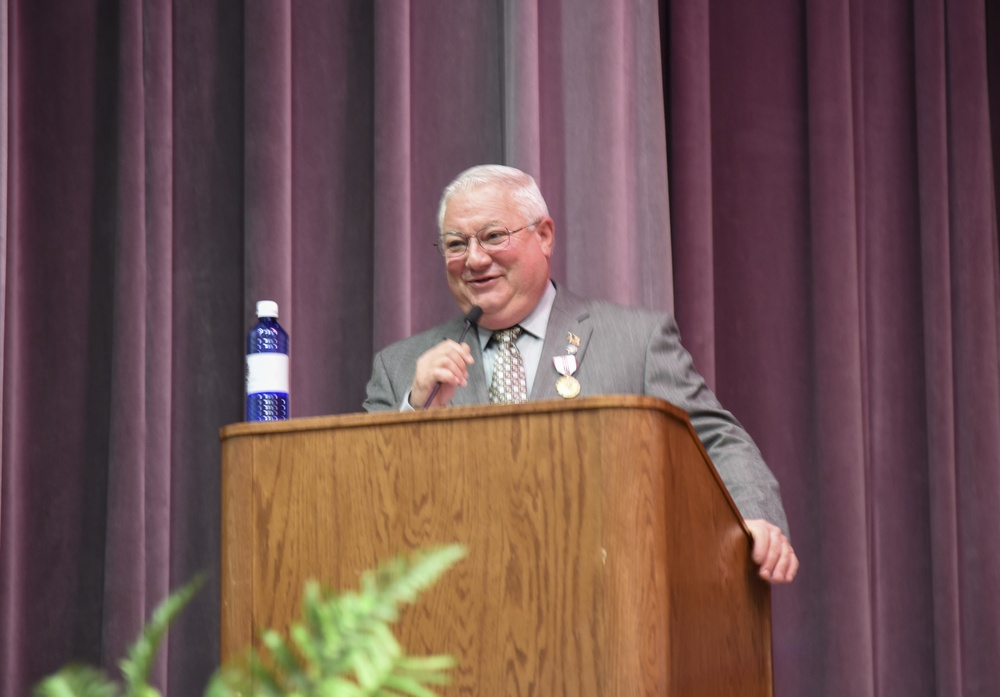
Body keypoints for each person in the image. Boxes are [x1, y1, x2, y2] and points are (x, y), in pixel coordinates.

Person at [364, 164, 799, 584]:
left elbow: (717, 443)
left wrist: (752, 518)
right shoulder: (400, 368)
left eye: (493, 236)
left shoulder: (636, 342)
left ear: (544, 235)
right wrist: (412, 411)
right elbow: (365, 498)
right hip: (456, 618)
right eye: (456, 244)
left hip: (605, 605)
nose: (474, 259)